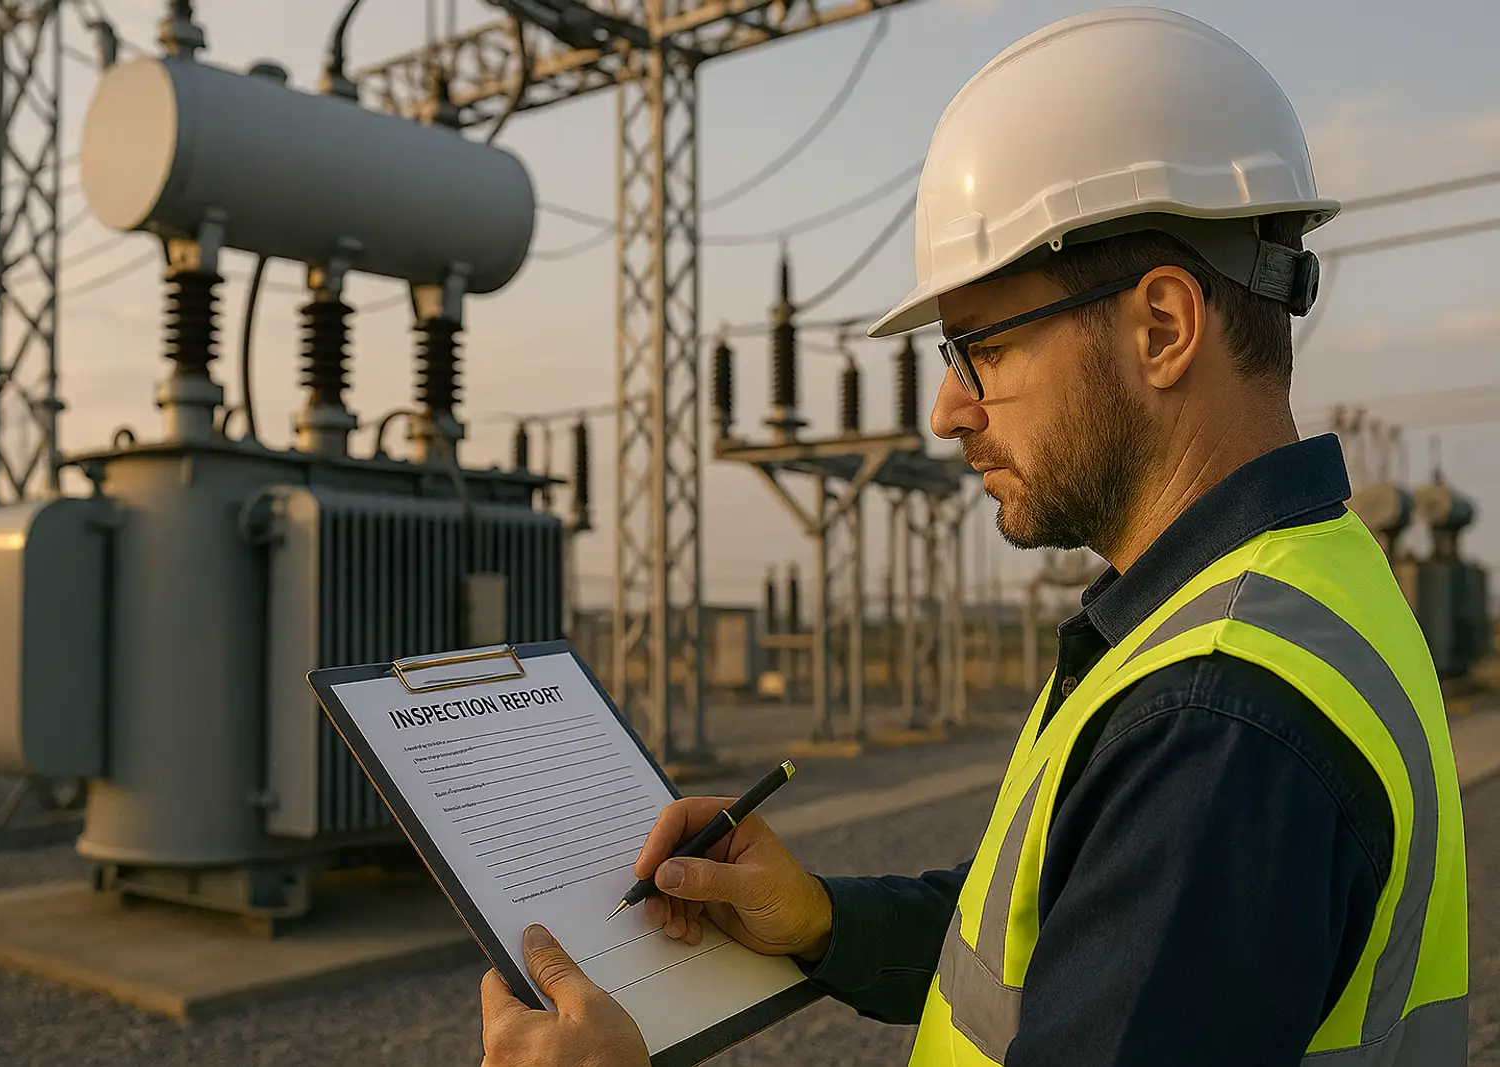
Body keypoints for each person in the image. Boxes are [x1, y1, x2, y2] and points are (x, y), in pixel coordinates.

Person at [477, 7, 1470, 1065]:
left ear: (1163, 328)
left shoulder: (1215, 720)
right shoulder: (1288, 590)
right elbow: (1073, 918)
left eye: (979, 347)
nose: (948, 409)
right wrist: (818, 916)